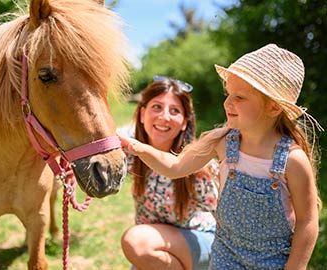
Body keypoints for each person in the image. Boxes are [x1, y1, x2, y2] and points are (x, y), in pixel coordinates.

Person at [120, 44, 323, 270]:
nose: (227, 103)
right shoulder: (223, 142)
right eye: (228, 95)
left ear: (274, 107)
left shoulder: (292, 160)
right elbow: (175, 166)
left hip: (273, 261)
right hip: (225, 257)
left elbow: (307, 220)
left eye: (239, 97)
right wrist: (138, 147)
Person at [119, 76, 219, 270]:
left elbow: (223, 217)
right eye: (157, 107)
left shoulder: (196, 162)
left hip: (200, 242)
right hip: (156, 247)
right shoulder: (134, 151)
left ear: (184, 122)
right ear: (141, 114)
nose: (164, 117)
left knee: (136, 242)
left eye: (175, 111)